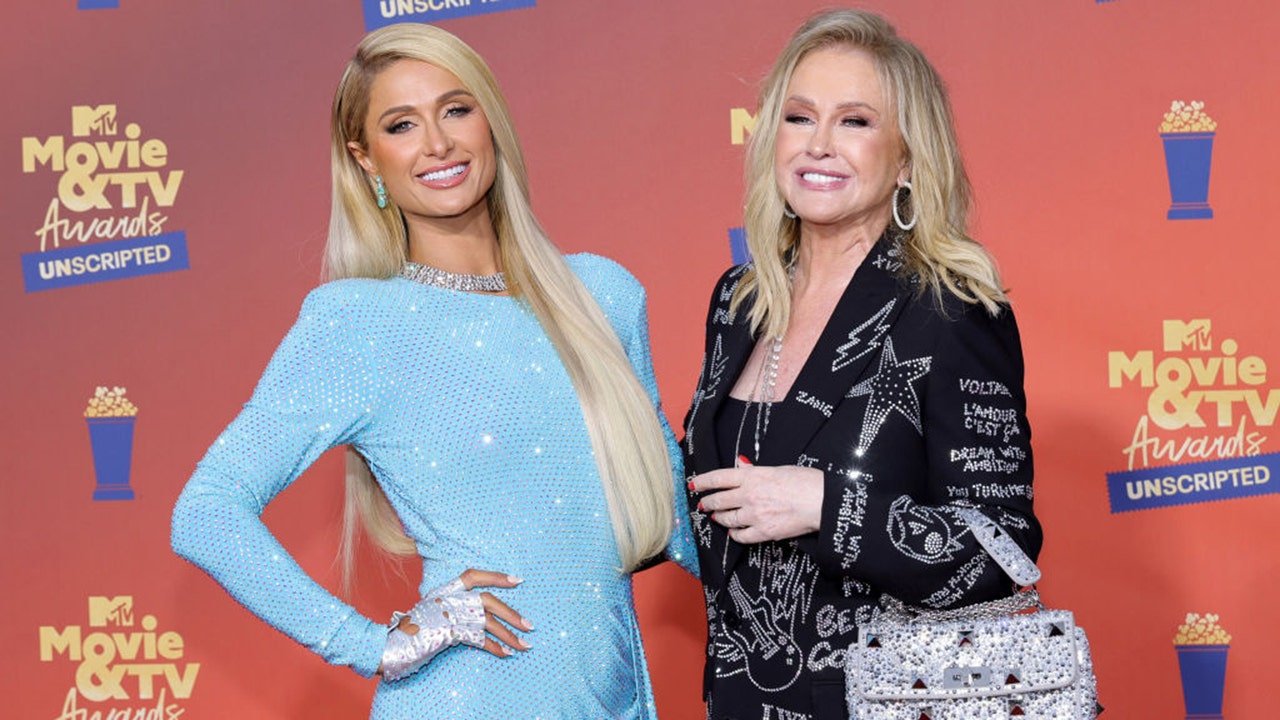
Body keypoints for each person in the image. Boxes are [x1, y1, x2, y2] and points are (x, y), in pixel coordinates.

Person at [171, 22, 694, 719]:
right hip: (466, 698)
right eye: (401, 125)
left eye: (455, 109)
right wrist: (371, 644)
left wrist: (829, 524)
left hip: (612, 694)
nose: (438, 143)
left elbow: (674, 512)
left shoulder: (603, 295)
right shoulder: (357, 324)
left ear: (490, 121)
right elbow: (205, 513)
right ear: (365, 159)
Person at [682, 9, 1043, 719]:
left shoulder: (950, 308)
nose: (818, 144)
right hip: (744, 699)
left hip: (889, 702)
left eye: (854, 121)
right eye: (799, 118)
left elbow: (1002, 554)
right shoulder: (740, 299)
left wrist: (826, 505)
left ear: (906, 158)